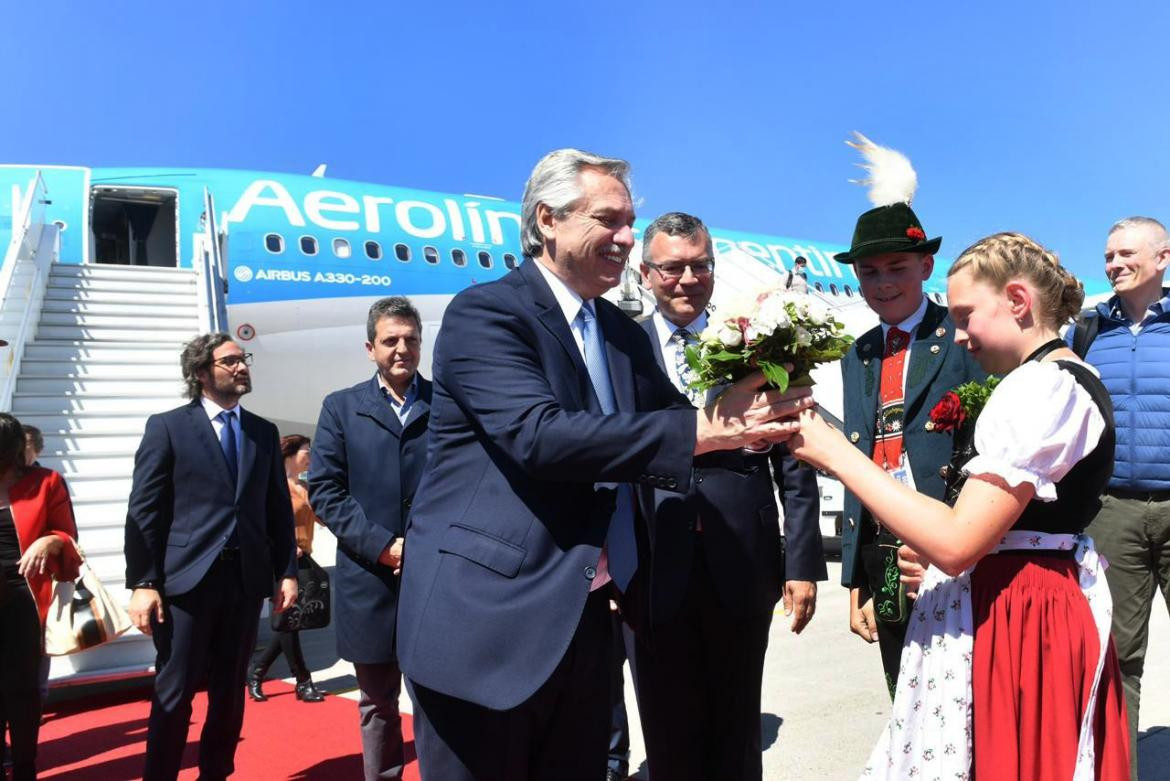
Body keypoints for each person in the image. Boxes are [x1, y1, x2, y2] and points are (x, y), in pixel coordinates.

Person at [395, 148, 811, 781]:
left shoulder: (616, 331)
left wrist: (766, 409)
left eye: (629, 221)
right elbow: (538, 436)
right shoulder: (487, 314)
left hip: (584, 624)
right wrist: (706, 430)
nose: (625, 238)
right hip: (487, 627)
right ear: (549, 219)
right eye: (609, 220)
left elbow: (681, 420)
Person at [792, 232, 1130, 779]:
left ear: (1017, 301)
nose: (960, 335)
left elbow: (956, 542)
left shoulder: (1042, 387)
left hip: (1022, 609)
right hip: (1024, 594)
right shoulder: (1057, 379)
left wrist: (836, 454)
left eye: (967, 315)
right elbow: (989, 530)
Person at [631, 211, 826, 780]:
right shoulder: (621, 348)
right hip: (650, 564)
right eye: (672, 268)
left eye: (700, 266)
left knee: (737, 724)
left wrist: (803, 561)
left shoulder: (756, 344)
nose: (687, 279)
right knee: (666, 726)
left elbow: (795, 457)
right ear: (646, 274)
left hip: (742, 557)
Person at [834, 135, 985, 695]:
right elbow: (857, 457)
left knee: (962, 688)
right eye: (869, 273)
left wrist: (958, 539)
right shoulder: (857, 355)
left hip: (952, 539)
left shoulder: (964, 336)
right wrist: (855, 578)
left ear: (926, 265)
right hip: (886, 547)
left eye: (897, 267)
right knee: (906, 691)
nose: (884, 283)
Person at [124, 334, 298, 781]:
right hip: (186, 583)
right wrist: (143, 582)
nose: (242, 367)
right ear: (202, 373)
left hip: (244, 582)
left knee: (229, 693)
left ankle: (215, 775)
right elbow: (144, 511)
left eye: (244, 360)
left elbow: (276, 510)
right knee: (175, 691)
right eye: (231, 361)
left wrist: (287, 572)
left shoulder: (263, 431)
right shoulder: (168, 427)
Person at [309, 296, 432, 781]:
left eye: (411, 340)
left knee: (437, 701)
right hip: (370, 578)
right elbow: (324, 490)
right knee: (378, 703)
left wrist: (425, 545)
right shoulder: (341, 408)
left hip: (433, 577)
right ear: (370, 347)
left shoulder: (446, 405)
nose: (402, 349)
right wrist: (383, 545)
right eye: (391, 340)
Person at [1067, 215, 1170, 777]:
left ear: (1162, 258)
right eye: (1108, 255)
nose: (1114, 263)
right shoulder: (1085, 331)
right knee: (1119, 655)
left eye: (1126, 253)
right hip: (1112, 513)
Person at [0, 413, 80, 781]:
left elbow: (69, 538)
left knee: (23, 690)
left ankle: (26, 766)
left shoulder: (46, 481)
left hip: (25, 598)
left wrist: (49, 540)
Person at [247, 434, 325, 704]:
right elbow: (264, 522)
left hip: (304, 558)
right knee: (289, 621)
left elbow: (321, 518)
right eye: (306, 451)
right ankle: (303, 681)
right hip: (279, 560)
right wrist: (287, 544)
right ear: (290, 453)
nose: (310, 456)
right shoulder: (273, 485)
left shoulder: (305, 486)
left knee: (290, 622)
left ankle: (256, 672)